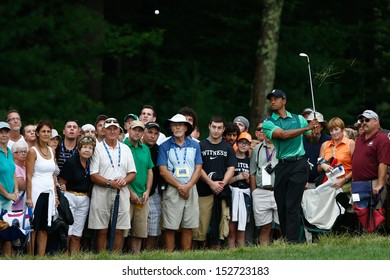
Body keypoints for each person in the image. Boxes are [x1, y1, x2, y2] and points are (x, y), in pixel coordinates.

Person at [262, 89, 318, 243]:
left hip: (299, 164)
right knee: (282, 205)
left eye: (276, 99)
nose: (273, 102)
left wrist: (315, 132)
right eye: (271, 99)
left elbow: (311, 140)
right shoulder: (268, 123)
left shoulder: (298, 118)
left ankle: (293, 242)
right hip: (282, 165)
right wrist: (307, 127)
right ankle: (290, 239)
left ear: (284, 100)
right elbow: (282, 135)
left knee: (291, 203)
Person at [88, 117, 136, 253]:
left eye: (115, 128)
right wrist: (110, 183)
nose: (112, 131)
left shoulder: (125, 148)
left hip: (121, 190)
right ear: (103, 130)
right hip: (102, 190)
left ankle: (115, 258)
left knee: (120, 229)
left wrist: (124, 180)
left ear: (119, 131)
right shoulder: (96, 148)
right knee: (101, 230)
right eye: (109, 128)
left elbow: (132, 173)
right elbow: (93, 174)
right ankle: (102, 257)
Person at [157, 114, 202, 252]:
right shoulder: (164, 146)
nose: (177, 127)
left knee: (188, 226)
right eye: (174, 125)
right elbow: (163, 171)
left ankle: (186, 256)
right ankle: (170, 256)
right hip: (172, 189)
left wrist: (188, 187)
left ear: (186, 127)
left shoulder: (195, 145)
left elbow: (198, 168)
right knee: (170, 226)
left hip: (191, 188)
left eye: (180, 124)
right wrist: (180, 186)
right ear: (170, 127)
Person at [193, 116, 236, 249]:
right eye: (214, 127)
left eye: (219, 128)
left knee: (222, 224)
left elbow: (231, 168)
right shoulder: (200, 145)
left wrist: (222, 183)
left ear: (223, 129)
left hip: (222, 192)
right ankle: (196, 253)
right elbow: (198, 168)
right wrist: (211, 183)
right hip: (203, 191)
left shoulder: (228, 148)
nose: (216, 130)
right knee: (200, 225)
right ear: (209, 127)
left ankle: (216, 253)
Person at [25, 120, 59, 256]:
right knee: (34, 228)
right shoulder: (32, 151)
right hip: (36, 194)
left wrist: (56, 196)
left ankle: (40, 258)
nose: (46, 134)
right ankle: (30, 258)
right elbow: (28, 176)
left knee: (45, 228)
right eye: (43, 131)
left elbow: (53, 176)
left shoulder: (52, 150)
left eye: (48, 132)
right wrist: (28, 197)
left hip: (49, 194)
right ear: (37, 133)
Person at [58, 136, 96, 255]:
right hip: (70, 197)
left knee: (77, 232)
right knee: (68, 231)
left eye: (90, 148)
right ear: (79, 149)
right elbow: (62, 182)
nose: (87, 150)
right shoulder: (71, 162)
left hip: (84, 198)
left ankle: (74, 257)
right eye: (84, 147)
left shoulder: (92, 164)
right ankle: (65, 256)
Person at [123, 120, 153, 254]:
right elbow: (119, 173)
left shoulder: (145, 148)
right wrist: (130, 192)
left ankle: (136, 257)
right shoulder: (122, 147)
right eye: (135, 129)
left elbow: (149, 171)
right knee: (122, 230)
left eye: (140, 130)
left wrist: (148, 191)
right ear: (129, 130)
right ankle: (118, 256)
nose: (137, 132)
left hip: (142, 195)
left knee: (139, 231)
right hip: (125, 193)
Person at [250, 130, 280, 245]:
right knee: (265, 227)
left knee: (281, 226)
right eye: (266, 132)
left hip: (278, 191)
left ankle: (284, 252)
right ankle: (263, 252)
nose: (268, 135)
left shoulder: (282, 147)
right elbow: (252, 172)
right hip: (262, 191)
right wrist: (254, 192)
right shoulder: (257, 149)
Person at [352, 110, 390, 196]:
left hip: (373, 182)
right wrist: (353, 183)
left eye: (367, 120)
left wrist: (380, 185)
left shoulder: (382, 139)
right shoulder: (360, 138)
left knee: (375, 209)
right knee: (358, 209)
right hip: (358, 184)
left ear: (376, 121)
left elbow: (383, 163)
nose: (364, 123)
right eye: (362, 121)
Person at [141, 121, 163, 250]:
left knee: (154, 224)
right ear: (144, 132)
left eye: (156, 133)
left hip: (153, 191)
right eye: (149, 132)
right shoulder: (135, 147)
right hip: (135, 190)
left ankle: (150, 253)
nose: (152, 136)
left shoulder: (158, 150)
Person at [227, 132, 251, 248]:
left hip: (245, 194)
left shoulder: (250, 161)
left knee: (242, 225)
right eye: (241, 142)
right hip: (233, 193)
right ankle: (231, 251)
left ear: (249, 146)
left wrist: (247, 180)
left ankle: (241, 251)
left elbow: (252, 182)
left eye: (246, 143)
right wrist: (238, 177)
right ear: (237, 143)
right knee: (232, 225)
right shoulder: (231, 159)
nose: (243, 145)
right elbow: (226, 181)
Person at [0, 121, 18, 256]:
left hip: (8, 198)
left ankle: (7, 260)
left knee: (7, 231)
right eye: (0, 132)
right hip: (2, 197)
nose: (4, 135)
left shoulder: (9, 151)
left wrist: (16, 191)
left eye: (6, 132)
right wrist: (7, 194)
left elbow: (13, 173)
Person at [303, 111, 331, 189]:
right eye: (312, 126)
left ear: (322, 127)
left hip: (323, 183)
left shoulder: (329, 140)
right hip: (305, 183)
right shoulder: (302, 140)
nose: (314, 129)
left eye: (316, 126)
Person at [11, 141, 29, 212]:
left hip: (25, 206)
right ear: (14, 154)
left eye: (25, 151)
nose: (23, 154)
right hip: (16, 207)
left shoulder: (25, 168)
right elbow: (22, 186)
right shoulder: (14, 167)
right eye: (20, 152)